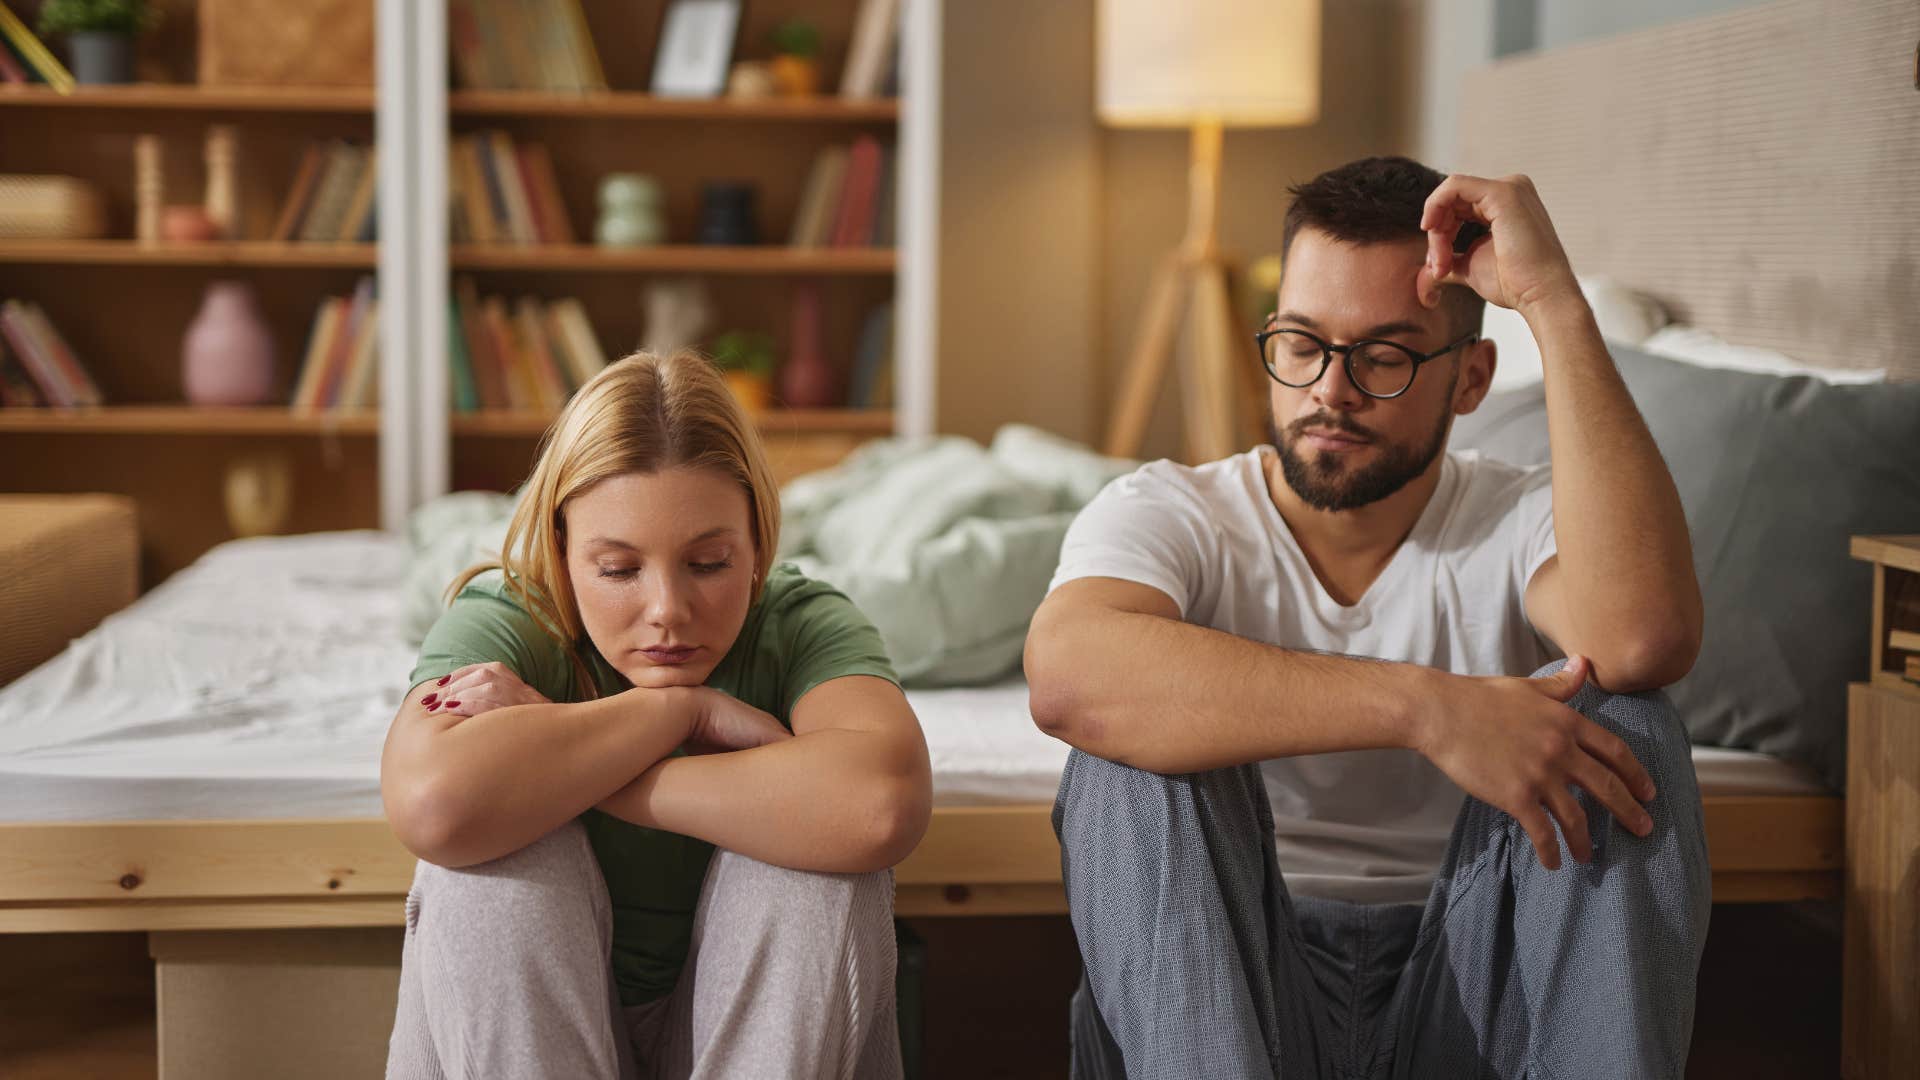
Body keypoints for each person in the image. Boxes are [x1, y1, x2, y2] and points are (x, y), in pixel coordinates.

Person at [1025, 157, 1709, 1078]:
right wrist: (1428, 708)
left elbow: (1643, 639)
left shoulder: (1518, 518)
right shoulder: (1172, 509)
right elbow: (1069, 675)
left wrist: (1553, 302)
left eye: (1383, 358)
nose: (1330, 391)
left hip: (1466, 984)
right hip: (1220, 996)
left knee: (1626, 720)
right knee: (1128, 750)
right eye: (1302, 344)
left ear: (1470, 381)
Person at [381, 351, 931, 1079]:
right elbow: (434, 804)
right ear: (561, 551)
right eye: (618, 570)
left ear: (758, 546)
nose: (668, 610)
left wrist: (589, 762)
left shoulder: (800, 622)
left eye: (709, 563)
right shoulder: (512, 618)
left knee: (820, 870)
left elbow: (879, 805)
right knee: (486, 866)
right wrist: (679, 712)